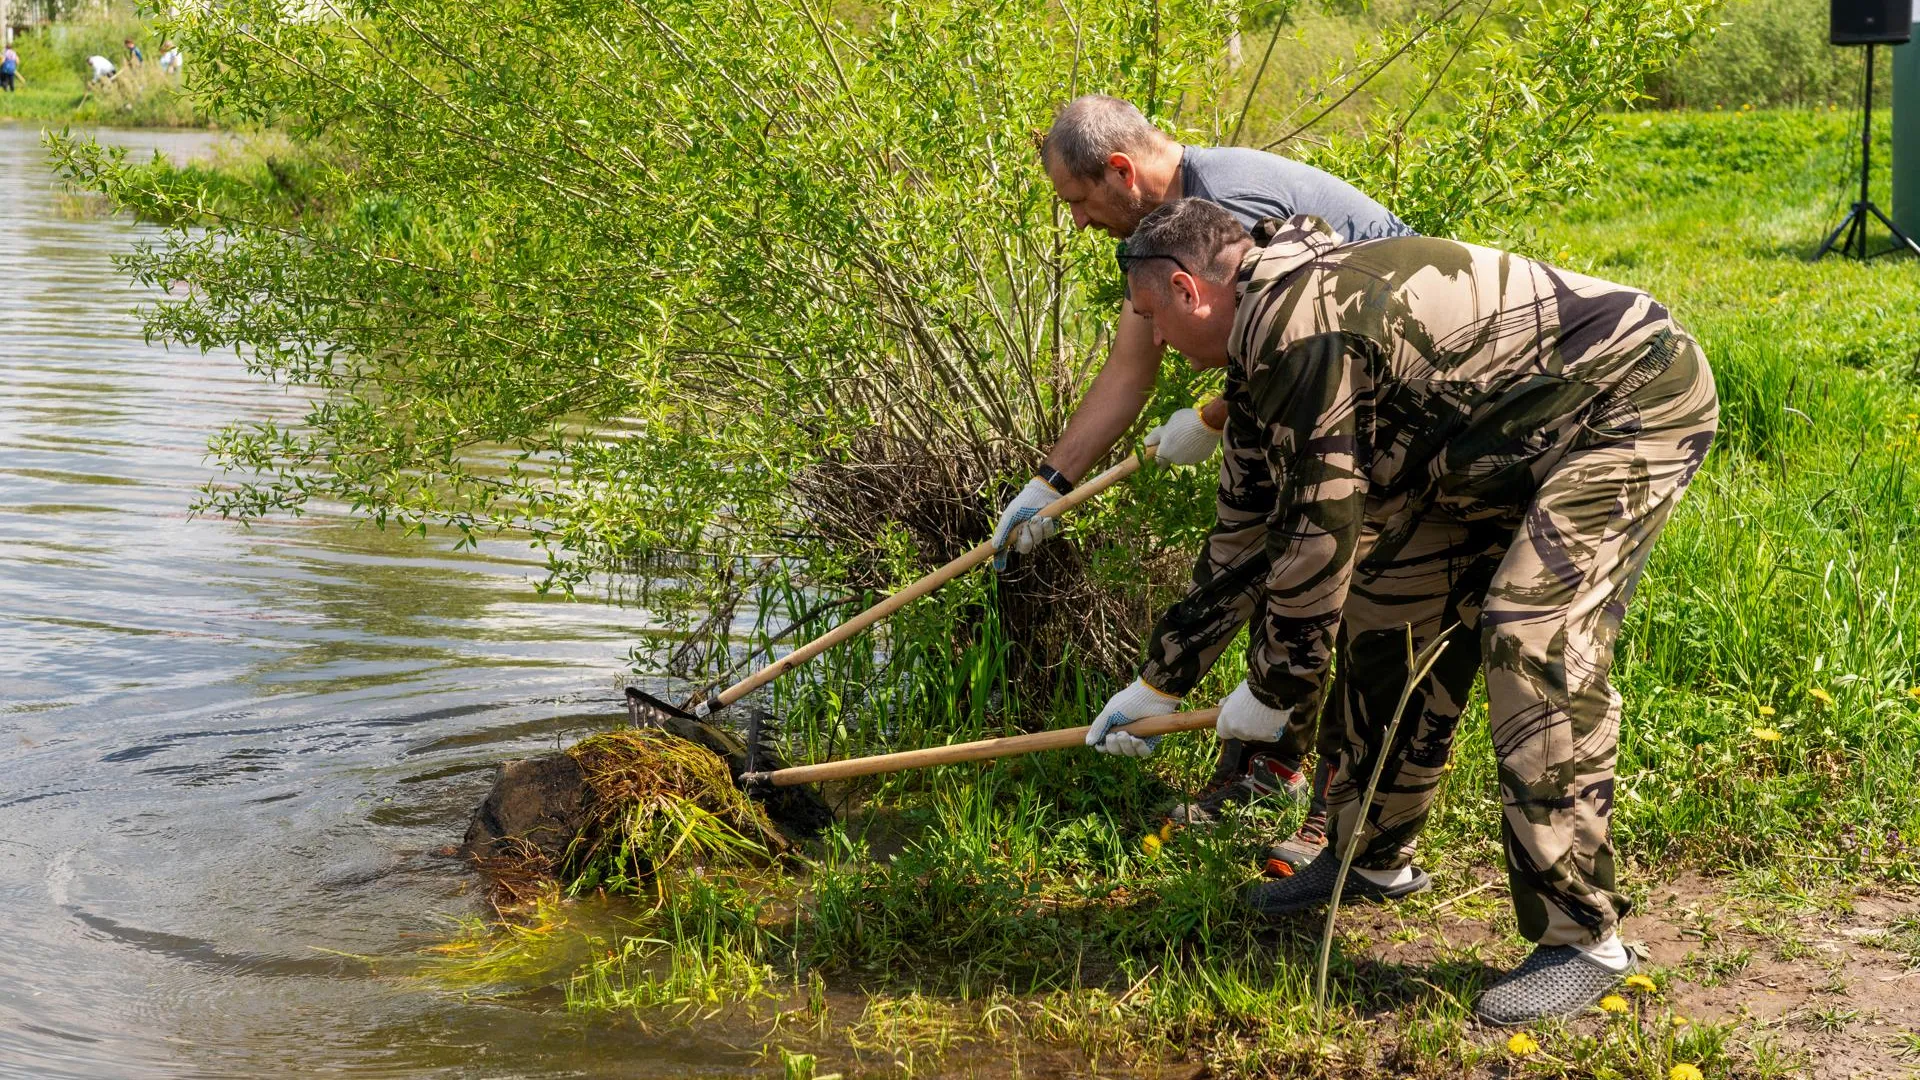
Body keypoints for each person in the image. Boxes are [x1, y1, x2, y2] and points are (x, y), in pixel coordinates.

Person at [1089, 198, 1716, 1025]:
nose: (1157, 342)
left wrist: (1277, 694)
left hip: (1627, 403)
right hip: (1488, 444)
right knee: (1389, 608)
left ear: (1187, 289)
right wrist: (1161, 683)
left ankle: (1584, 936)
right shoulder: (1260, 341)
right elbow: (1246, 536)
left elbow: (1319, 539)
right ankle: (1370, 856)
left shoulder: (1303, 333)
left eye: (1151, 319)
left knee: (1530, 637)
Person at [996, 94, 1415, 865]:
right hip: (1305, 376)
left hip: (1387, 383)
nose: (1080, 222)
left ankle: (1332, 805)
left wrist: (1218, 411)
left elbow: (1311, 337)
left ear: (1121, 171)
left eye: (1080, 201)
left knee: (1333, 573)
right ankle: (1262, 768)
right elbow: (1132, 363)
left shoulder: (1230, 199)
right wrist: (1050, 485)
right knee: (1244, 543)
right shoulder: (1164, 235)